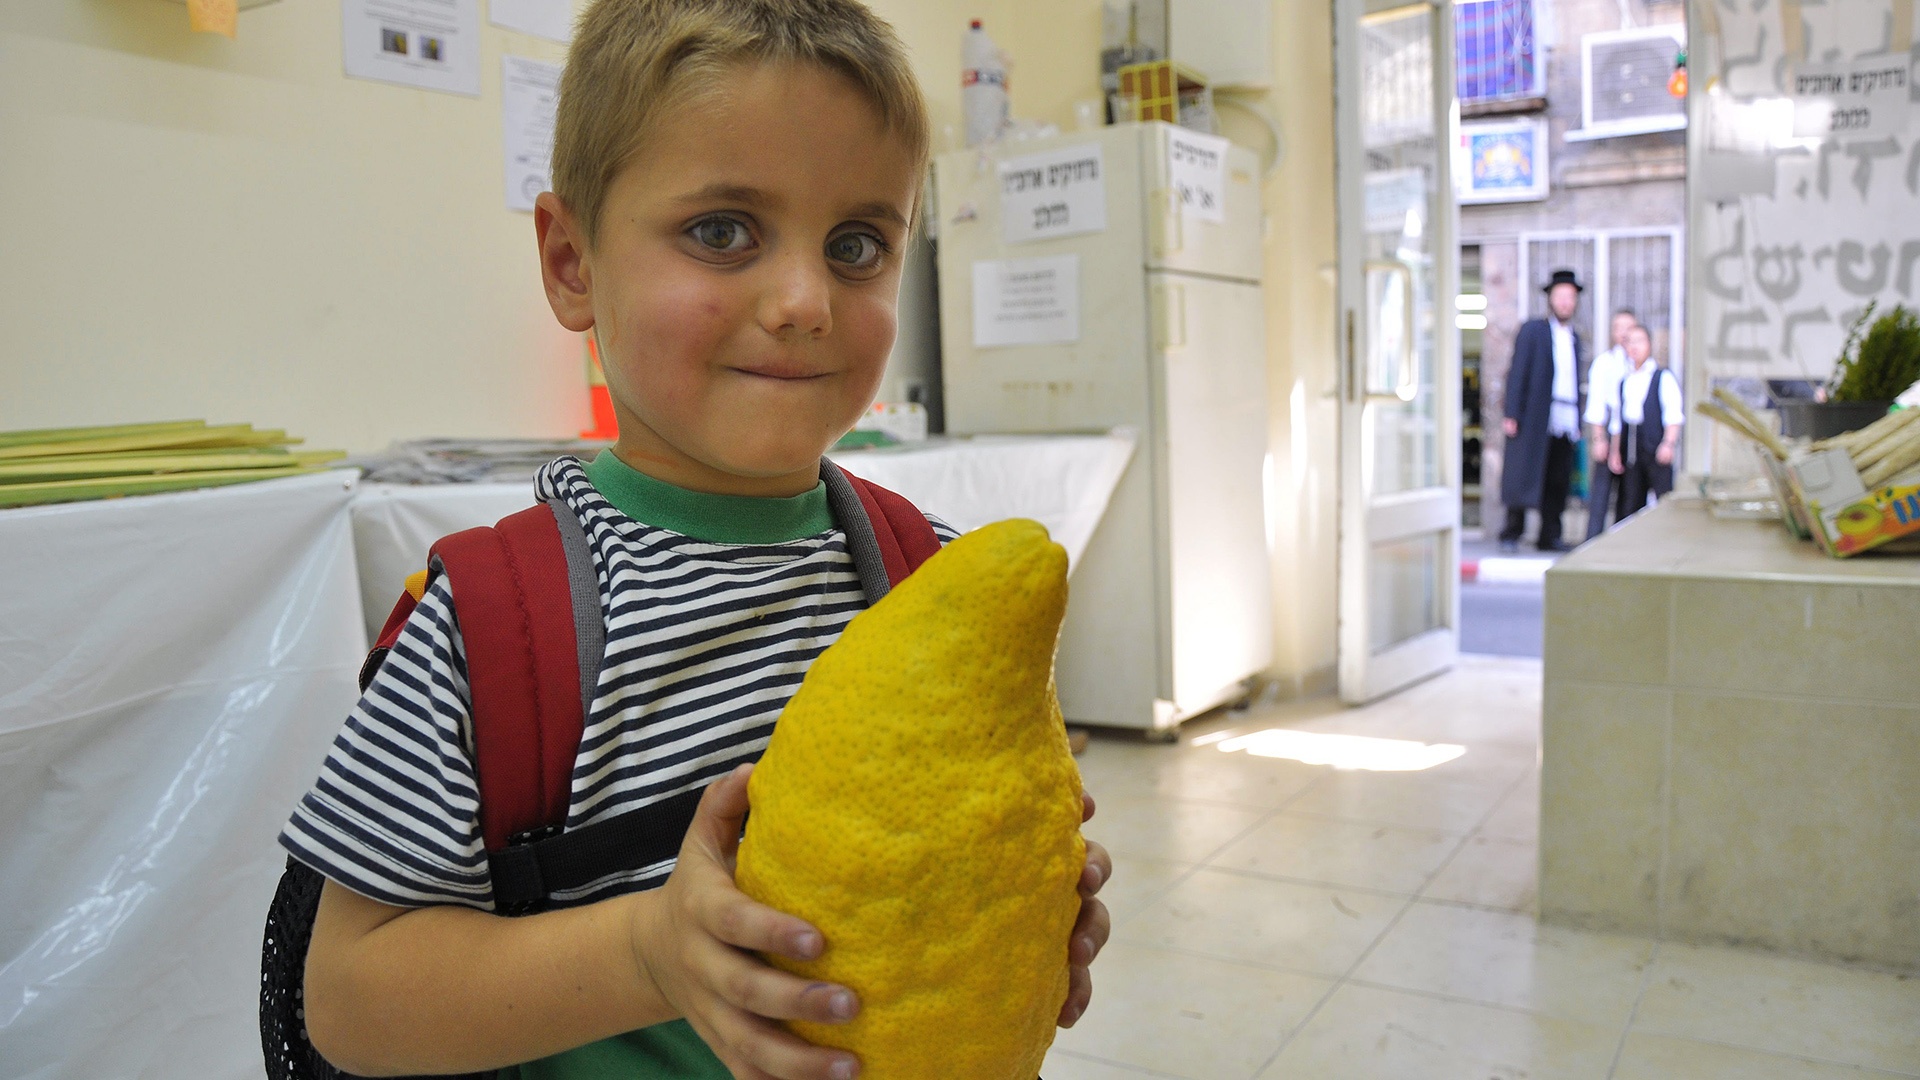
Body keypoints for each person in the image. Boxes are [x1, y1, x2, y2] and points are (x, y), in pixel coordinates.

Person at [281, 2, 1112, 1077]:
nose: (806, 299)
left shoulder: (933, 582)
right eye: (723, 232)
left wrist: (1032, 909)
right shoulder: (494, 632)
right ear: (573, 261)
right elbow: (349, 999)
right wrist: (649, 952)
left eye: (858, 245)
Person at [1499, 268, 1587, 553]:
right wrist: (1512, 412)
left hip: (1565, 414)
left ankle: (1549, 535)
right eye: (1560, 296)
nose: (1565, 302)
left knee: (1557, 477)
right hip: (1535, 414)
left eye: (1570, 297)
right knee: (1523, 472)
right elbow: (1517, 371)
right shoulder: (1533, 330)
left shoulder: (1574, 338)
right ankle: (1511, 533)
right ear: (1550, 299)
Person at [1608, 323, 1685, 517]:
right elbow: (1618, 420)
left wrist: (1668, 443)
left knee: (1662, 500)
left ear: (1649, 344)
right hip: (1631, 448)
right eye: (1630, 342)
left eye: (1639, 341)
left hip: (1655, 444)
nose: (1634, 347)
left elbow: (1673, 414)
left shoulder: (1662, 377)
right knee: (1630, 501)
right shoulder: (1624, 380)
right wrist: (1615, 451)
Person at [1582, 309, 1638, 542]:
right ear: (1613, 332)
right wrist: (1599, 438)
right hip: (1607, 433)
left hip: (1632, 439)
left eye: (1629, 328)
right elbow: (1597, 404)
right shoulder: (1604, 363)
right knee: (1601, 496)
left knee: (1630, 498)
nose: (1624, 333)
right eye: (1619, 328)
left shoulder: (1641, 366)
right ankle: (1591, 543)